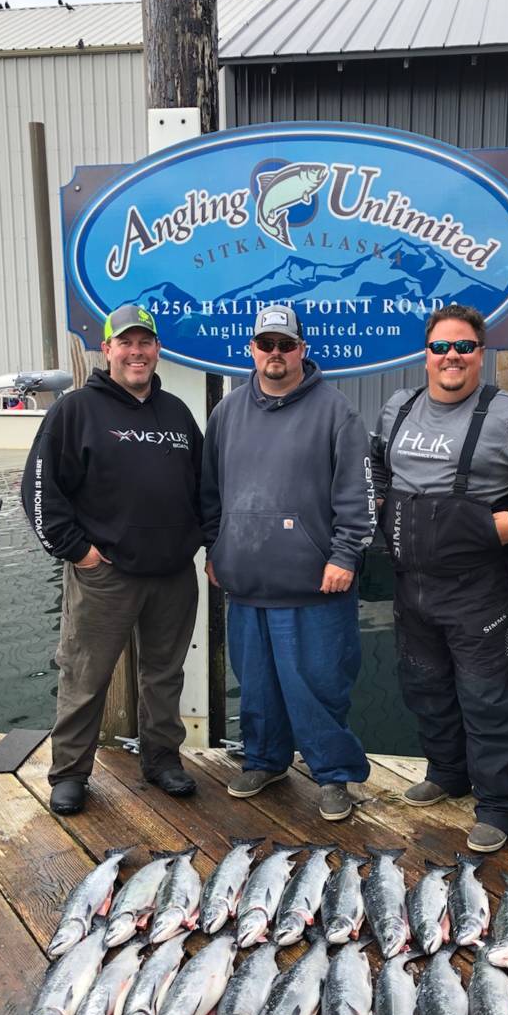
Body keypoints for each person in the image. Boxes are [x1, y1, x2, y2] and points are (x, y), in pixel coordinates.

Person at [371, 303, 508, 852]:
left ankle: (501, 804)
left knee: (489, 697)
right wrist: (378, 513)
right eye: (441, 347)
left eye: (464, 346)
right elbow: (378, 466)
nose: (452, 357)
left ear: (480, 354)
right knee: (424, 684)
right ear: (426, 355)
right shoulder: (399, 408)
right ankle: (447, 772)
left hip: (476, 588)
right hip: (411, 580)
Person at [21, 304, 203, 815]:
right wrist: (76, 549)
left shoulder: (177, 413)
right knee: (85, 674)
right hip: (105, 575)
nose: (136, 352)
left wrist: (206, 541)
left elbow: (204, 486)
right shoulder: (75, 409)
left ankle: (162, 759)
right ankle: (71, 772)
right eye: (126, 342)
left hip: (171, 575)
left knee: (164, 675)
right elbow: (39, 489)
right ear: (108, 350)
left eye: (145, 342)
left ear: (157, 349)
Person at [201, 304, 375, 821]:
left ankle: (334, 775)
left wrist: (345, 554)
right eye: (266, 345)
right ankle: (264, 760)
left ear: (302, 349)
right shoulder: (226, 411)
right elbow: (208, 491)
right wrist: (215, 546)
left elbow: (358, 495)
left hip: (316, 584)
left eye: (286, 344)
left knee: (320, 685)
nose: (275, 354)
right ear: (252, 350)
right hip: (246, 583)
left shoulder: (336, 410)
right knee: (255, 686)